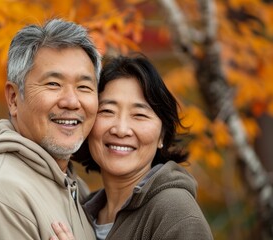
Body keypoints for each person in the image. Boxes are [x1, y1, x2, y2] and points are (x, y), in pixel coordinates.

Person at [0, 18, 101, 240]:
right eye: (53, 84)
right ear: (13, 98)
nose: (71, 101)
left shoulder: (72, 186)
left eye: (84, 87)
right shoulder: (1, 197)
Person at [50, 54, 213, 240]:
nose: (121, 129)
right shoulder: (80, 210)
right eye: (107, 111)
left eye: (139, 115)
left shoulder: (175, 212)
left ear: (162, 135)